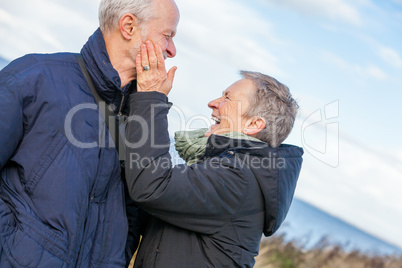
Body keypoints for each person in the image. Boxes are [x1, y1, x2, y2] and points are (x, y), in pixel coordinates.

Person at [0, 0, 179, 267]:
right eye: (168, 36)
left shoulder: (144, 118)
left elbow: (135, 215)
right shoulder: (33, 78)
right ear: (128, 26)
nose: (172, 50)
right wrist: (13, 248)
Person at [125, 42, 303, 267]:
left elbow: (152, 187)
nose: (213, 103)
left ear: (253, 124)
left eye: (227, 98)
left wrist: (150, 98)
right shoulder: (232, 167)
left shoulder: (238, 178)